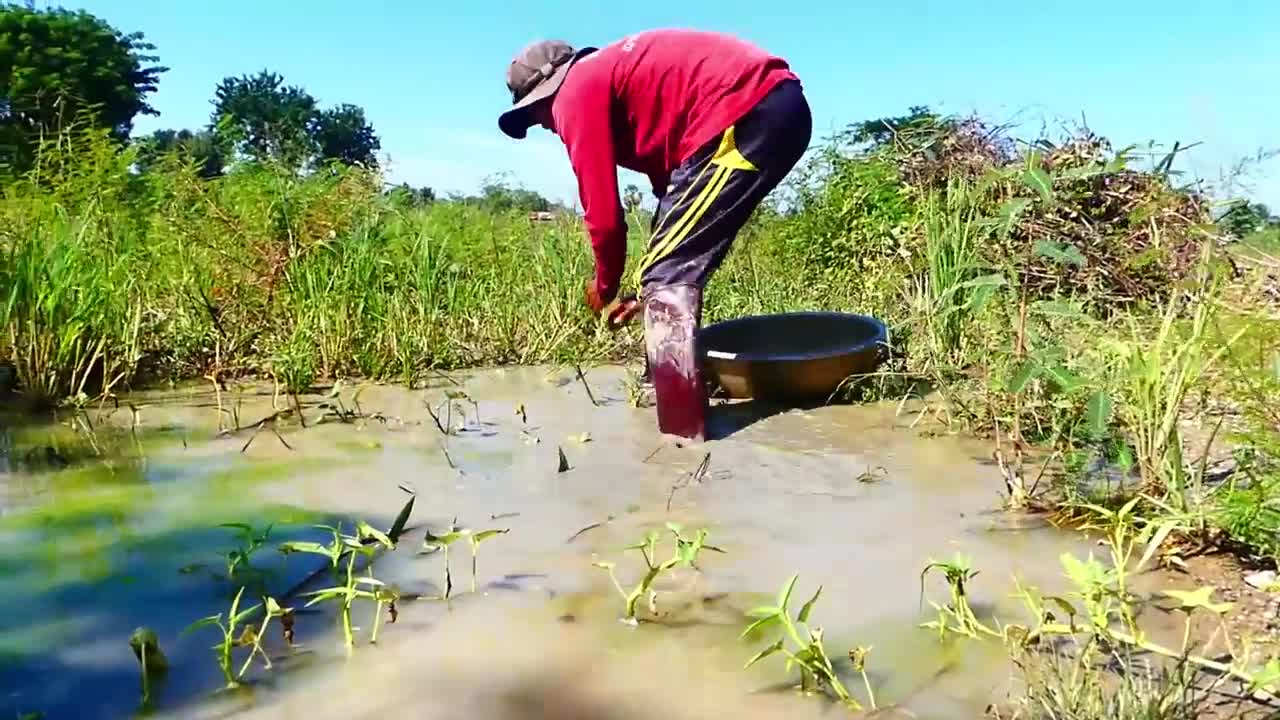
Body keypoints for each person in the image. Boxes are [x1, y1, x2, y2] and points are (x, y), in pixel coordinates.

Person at [499, 29, 812, 441]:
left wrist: (605, 286)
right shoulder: (612, 78)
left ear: (548, 91)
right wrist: (646, 293)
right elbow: (673, 194)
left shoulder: (576, 91)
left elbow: (605, 217)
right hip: (768, 108)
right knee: (666, 268)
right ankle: (664, 388)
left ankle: (679, 436)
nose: (543, 124)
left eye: (535, 112)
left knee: (669, 273)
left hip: (748, 111)